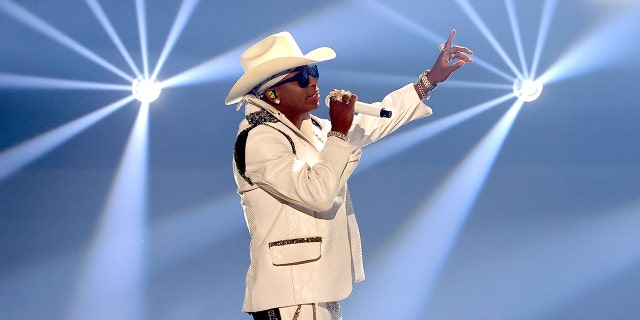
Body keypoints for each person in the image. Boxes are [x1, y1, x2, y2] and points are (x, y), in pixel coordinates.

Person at [225, 30, 472, 320]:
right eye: (302, 77)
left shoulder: (313, 129)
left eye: (313, 71)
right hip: (291, 294)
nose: (315, 80)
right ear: (272, 93)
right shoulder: (259, 139)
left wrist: (428, 81)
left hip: (318, 288)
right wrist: (339, 132)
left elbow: (375, 122)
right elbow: (316, 193)